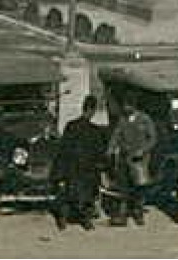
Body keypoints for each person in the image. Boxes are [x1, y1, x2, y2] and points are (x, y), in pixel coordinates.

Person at [53, 95, 107, 231]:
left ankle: (64, 220)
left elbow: (63, 149)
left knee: (69, 194)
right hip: (86, 169)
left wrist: (60, 170)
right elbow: (99, 151)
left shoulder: (71, 126)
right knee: (86, 195)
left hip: (73, 168)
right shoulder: (95, 131)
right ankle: (84, 220)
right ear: (92, 110)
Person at [107, 100, 158, 226]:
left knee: (139, 188)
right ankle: (122, 216)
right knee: (124, 187)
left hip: (139, 160)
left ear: (134, 106)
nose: (125, 107)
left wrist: (143, 150)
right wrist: (110, 149)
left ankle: (138, 213)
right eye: (124, 105)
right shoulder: (123, 120)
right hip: (125, 158)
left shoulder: (145, 119)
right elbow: (116, 135)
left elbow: (152, 139)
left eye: (128, 105)